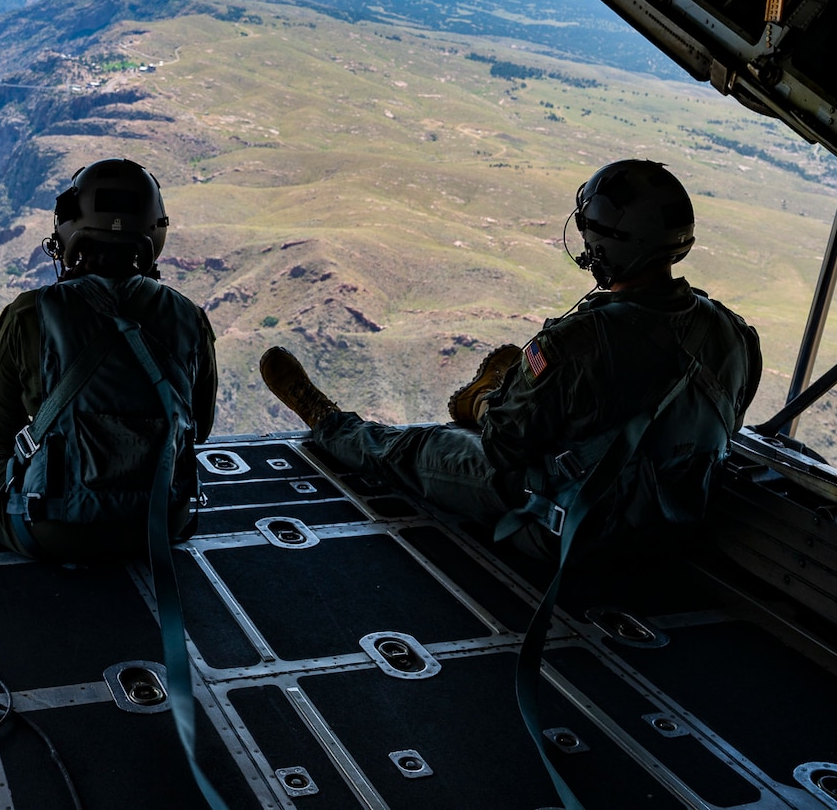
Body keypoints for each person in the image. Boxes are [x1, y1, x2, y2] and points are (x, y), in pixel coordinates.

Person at [258, 159, 760, 560]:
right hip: (669, 534)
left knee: (421, 447)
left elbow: (502, 449)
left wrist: (495, 412)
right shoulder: (736, 334)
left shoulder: (579, 341)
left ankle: (330, 423)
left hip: (572, 531)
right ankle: (494, 393)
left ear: (607, 244)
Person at [0, 158, 218, 561]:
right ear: (155, 230)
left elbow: (2, 435)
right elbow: (201, 427)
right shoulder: (188, 315)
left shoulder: (32, 312)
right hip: (162, 524)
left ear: (67, 229)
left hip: (58, 530)